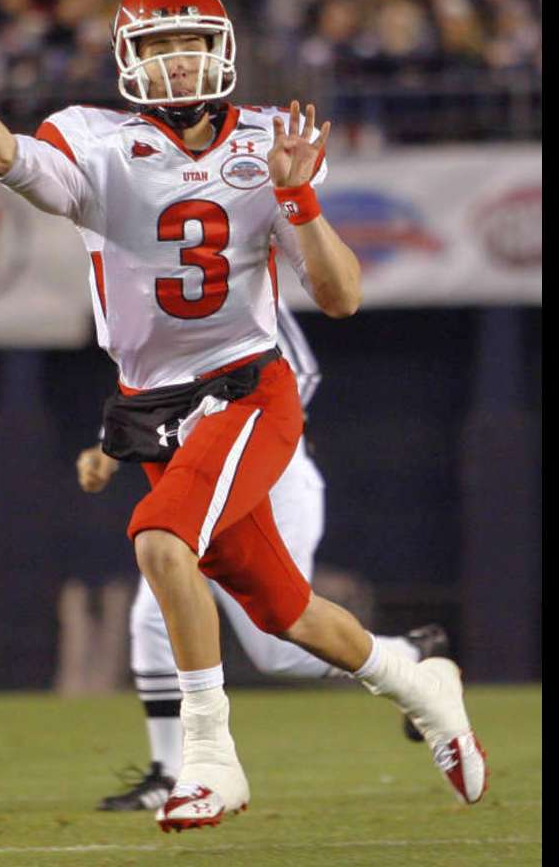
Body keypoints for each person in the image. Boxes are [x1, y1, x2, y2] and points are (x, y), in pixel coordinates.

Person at [0, 0, 487, 831]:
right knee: (287, 617)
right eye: (160, 47)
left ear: (222, 50)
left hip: (248, 389)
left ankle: (206, 760)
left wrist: (298, 197)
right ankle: (423, 685)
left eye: (192, 43)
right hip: (156, 411)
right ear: (128, 61)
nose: (179, 62)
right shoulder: (92, 141)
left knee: (161, 541)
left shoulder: (269, 141)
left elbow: (341, 296)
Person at [76, 297, 453, 812]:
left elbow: (300, 372)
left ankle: (409, 657)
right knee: (152, 615)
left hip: (268, 471)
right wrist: (110, 446)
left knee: (280, 644)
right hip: (198, 466)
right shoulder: (147, 285)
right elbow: (153, 383)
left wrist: (236, 424)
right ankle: (170, 770)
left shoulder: (236, 282)